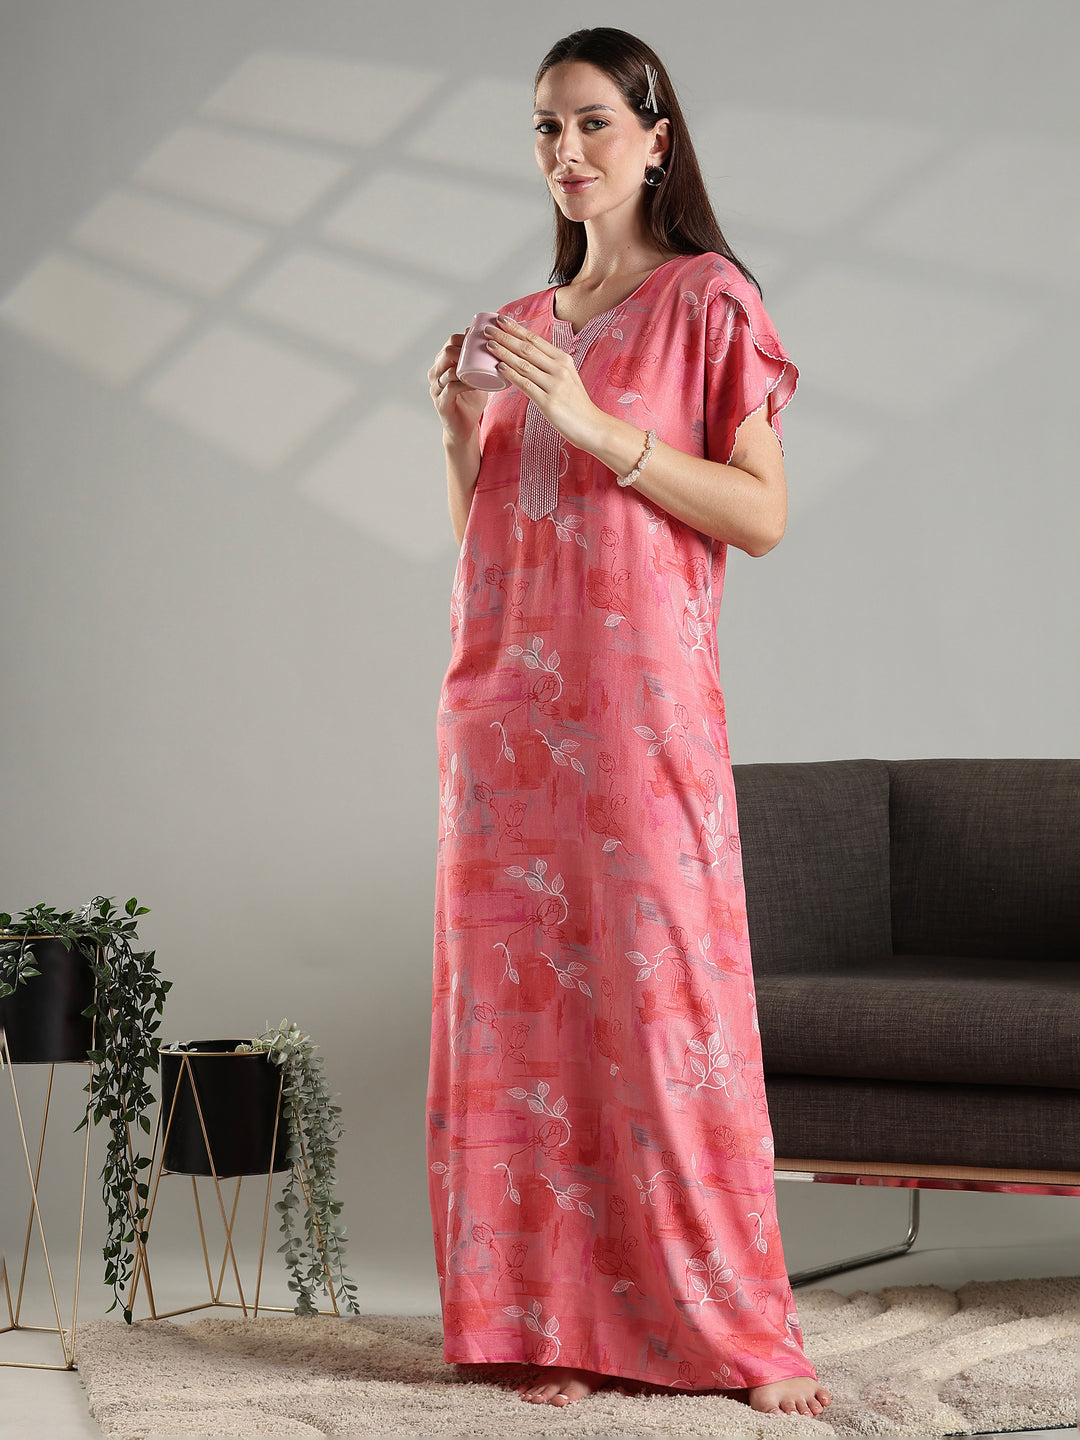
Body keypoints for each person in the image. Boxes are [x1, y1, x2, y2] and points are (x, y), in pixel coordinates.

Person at [424, 25, 832, 1422]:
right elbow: (506, 548)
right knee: (524, 1031)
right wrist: (459, 436)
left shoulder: (713, 302)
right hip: (503, 725)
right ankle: (539, 1322)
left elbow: (762, 518)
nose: (567, 152)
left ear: (657, 137)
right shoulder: (522, 329)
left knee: (665, 1015)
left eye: (593, 123)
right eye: (545, 129)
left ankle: (724, 1327)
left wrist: (604, 433)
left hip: (641, 720)